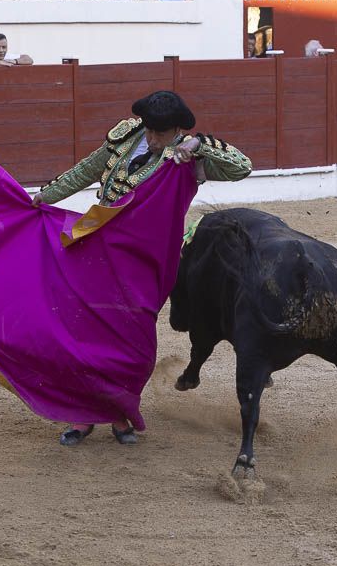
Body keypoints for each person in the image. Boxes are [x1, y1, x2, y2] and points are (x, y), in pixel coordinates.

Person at [29, 91, 253, 447]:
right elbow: (87, 170)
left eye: (158, 134)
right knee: (83, 330)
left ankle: (118, 412)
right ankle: (84, 414)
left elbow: (241, 166)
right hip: (98, 248)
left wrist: (199, 144)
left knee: (132, 342)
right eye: (148, 130)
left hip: (144, 264)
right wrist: (46, 195)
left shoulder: (188, 156)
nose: (149, 139)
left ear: (178, 130)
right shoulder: (129, 135)